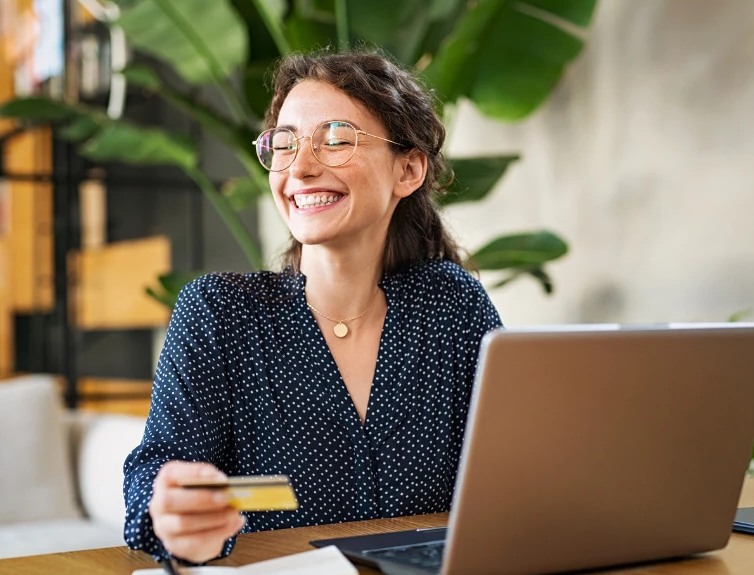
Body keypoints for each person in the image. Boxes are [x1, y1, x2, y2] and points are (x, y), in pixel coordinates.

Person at [123, 50, 503, 566]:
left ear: (408, 169)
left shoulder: (451, 306)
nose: (300, 167)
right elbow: (155, 474)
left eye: (338, 139)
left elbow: (514, 475)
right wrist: (172, 514)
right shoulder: (219, 312)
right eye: (285, 143)